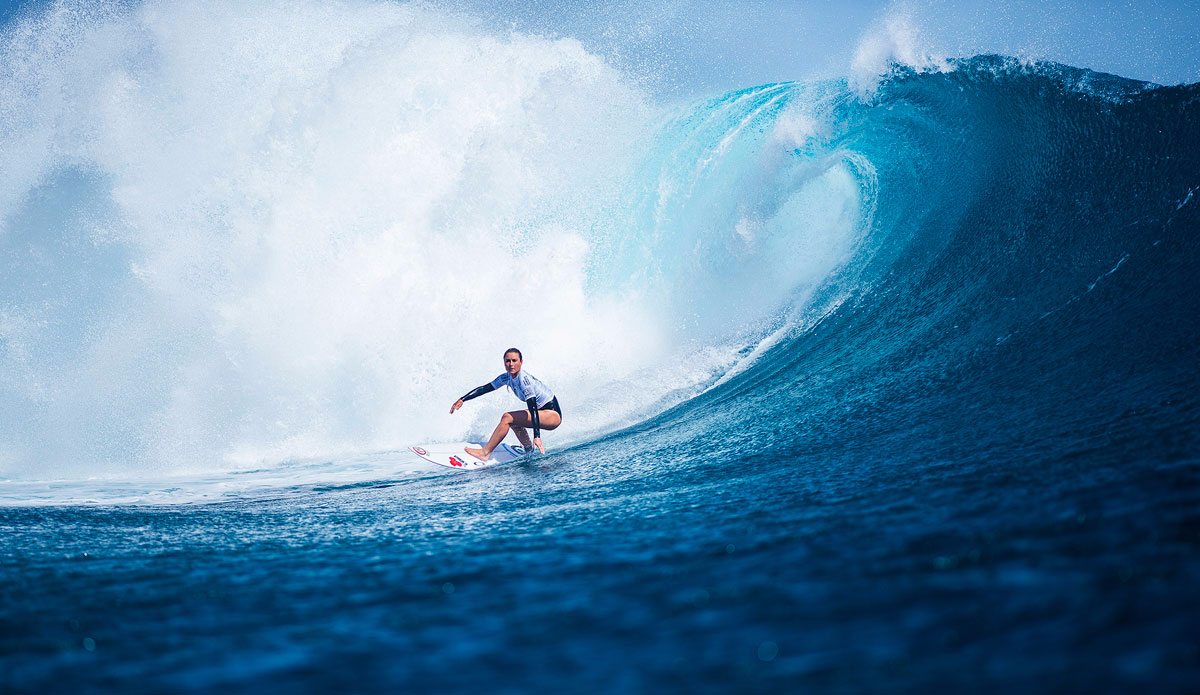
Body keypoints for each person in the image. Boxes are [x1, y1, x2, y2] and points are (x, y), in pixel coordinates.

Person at [450, 348, 562, 460]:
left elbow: (532, 408)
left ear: (521, 362)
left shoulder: (524, 381)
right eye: (508, 361)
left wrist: (537, 436)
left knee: (507, 417)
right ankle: (529, 449)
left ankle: (485, 453)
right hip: (541, 412)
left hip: (553, 415)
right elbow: (485, 388)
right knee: (513, 421)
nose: (511, 364)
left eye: (514, 360)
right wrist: (462, 399)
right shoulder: (506, 377)